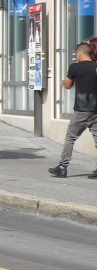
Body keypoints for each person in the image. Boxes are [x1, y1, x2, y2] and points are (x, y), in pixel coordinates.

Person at [48, 42, 97, 179]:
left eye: (76, 54)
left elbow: (68, 85)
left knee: (70, 137)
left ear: (80, 53)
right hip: (96, 110)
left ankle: (62, 167)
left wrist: (63, 82)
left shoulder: (74, 67)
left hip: (82, 110)